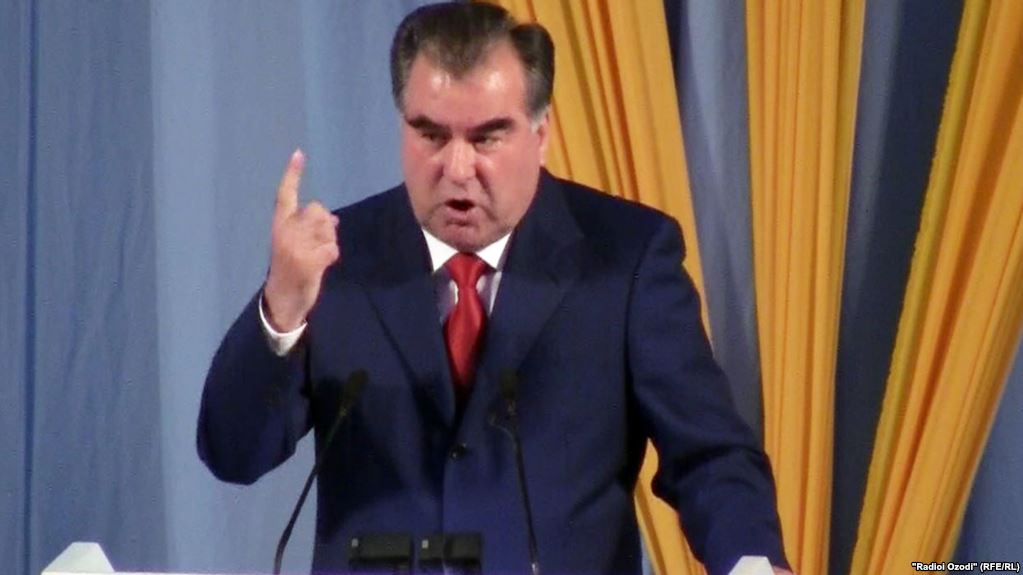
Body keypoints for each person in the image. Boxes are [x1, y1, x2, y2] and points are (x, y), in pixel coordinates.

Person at [198, 3, 792, 574]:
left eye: (487, 138)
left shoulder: (626, 259)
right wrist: (280, 308)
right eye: (431, 135)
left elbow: (710, 457)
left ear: (541, 133)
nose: (457, 169)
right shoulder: (334, 260)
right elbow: (233, 452)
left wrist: (752, 566)